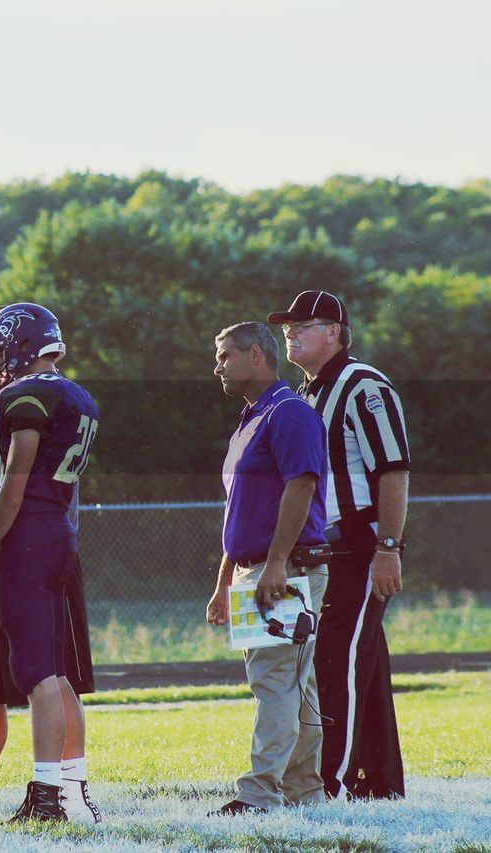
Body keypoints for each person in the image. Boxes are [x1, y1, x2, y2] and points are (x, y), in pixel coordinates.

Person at [269, 290, 410, 801]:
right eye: (287, 327)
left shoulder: (361, 385)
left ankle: (330, 783)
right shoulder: (305, 394)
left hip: (358, 543)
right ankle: (379, 783)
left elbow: (393, 470)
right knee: (359, 664)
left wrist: (388, 547)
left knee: (336, 662)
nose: (290, 333)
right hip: (323, 550)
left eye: (302, 325)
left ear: (334, 332)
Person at [0, 303, 101, 823]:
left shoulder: (27, 395)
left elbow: (13, 486)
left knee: (37, 673)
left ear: (17, 346)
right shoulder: (77, 394)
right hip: (59, 533)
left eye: (0, 350)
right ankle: (73, 791)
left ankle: (48, 797)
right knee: (57, 674)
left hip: (29, 536)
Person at [206, 321, 330, 814]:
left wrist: (277, 563)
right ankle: (306, 793)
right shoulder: (251, 418)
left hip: (285, 567)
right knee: (295, 683)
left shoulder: (289, 412)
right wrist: (222, 584)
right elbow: (243, 512)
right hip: (256, 568)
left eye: (224, 356)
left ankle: (258, 794)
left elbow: (300, 486)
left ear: (255, 354)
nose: (218, 366)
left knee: (274, 680)